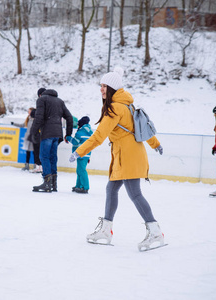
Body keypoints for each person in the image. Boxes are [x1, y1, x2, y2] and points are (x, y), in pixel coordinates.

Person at [69, 67, 165, 252]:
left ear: (112, 88)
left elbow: (98, 136)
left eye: (104, 86)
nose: (101, 89)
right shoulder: (128, 106)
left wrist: (79, 151)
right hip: (128, 155)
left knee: (134, 194)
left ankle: (155, 231)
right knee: (111, 189)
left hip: (127, 157)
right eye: (101, 86)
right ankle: (106, 229)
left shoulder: (115, 108)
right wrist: (156, 144)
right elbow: (142, 130)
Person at [31, 88, 73, 192]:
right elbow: (70, 117)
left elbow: (39, 117)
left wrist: (34, 131)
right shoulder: (59, 101)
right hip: (57, 134)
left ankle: (47, 183)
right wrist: (68, 134)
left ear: (40, 95)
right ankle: (54, 184)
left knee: (44, 156)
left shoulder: (42, 100)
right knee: (53, 157)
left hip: (47, 133)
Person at [66, 116, 93, 194]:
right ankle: (79, 185)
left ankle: (85, 187)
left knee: (81, 170)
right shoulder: (90, 132)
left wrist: (68, 137)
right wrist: (89, 156)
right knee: (80, 170)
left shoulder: (80, 132)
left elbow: (75, 142)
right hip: (87, 154)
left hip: (81, 153)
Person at [12, 107, 37, 171]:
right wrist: (14, 124)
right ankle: (27, 165)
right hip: (28, 137)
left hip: (34, 137)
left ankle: (35, 165)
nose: (28, 112)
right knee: (27, 151)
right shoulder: (28, 118)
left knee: (35, 152)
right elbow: (23, 125)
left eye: (29, 111)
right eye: (28, 111)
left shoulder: (36, 119)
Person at [28, 108, 42, 173]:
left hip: (37, 139)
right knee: (36, 153)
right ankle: (38, 167)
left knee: (37, 153)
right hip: (36, 138)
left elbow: (34, 130)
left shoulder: (36, 121)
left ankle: (39, 167)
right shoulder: (36, 120)